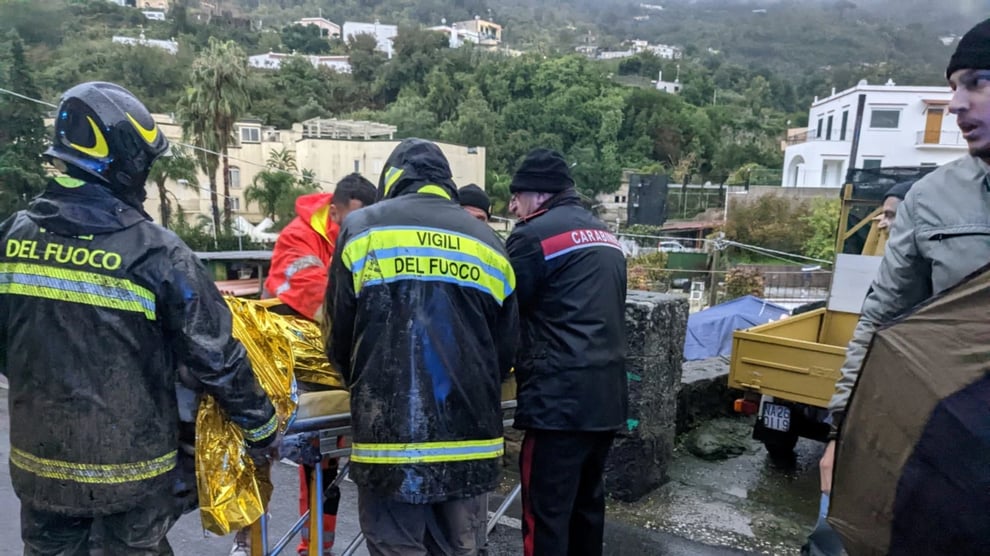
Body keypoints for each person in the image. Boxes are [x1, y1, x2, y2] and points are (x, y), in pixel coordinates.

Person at [0, 81, 278, 555]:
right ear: (126, 160)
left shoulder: (11, 237)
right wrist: (261, 427)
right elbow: (216, 356)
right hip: (132, 472)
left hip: (40, 467)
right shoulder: (156, 252)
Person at [820, 16, 990, 503]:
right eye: (954, 87)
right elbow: (883, 320)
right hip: (960, 447)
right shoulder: (932, 197)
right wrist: (842, 431)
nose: (956, 103)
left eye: (978, 83)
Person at [324, 138, 518, 555]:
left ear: (392, 180)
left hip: (391, 440)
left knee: (397, 546)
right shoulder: (489, 243)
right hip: (470, 441)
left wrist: (360, 385)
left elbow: (339, 337)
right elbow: (504, 352)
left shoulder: (361, 230)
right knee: (459, 547)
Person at [231, 174, 376, 556]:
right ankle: (252, 540)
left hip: (327, 366)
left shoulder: (355, 235)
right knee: (264, 455)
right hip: (281, 365)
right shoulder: (300, 237)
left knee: (324, 466)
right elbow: (315, 295)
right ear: (335, 210)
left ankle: (316, 547)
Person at [505, 148, 628, 556]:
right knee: (587, 512)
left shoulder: (532, 236)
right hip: (606, 398)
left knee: (545, 518)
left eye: (517, 195)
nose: (513, 205)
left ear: (539, 196)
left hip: (558, 403)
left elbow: (505, 311)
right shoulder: (608, 238)